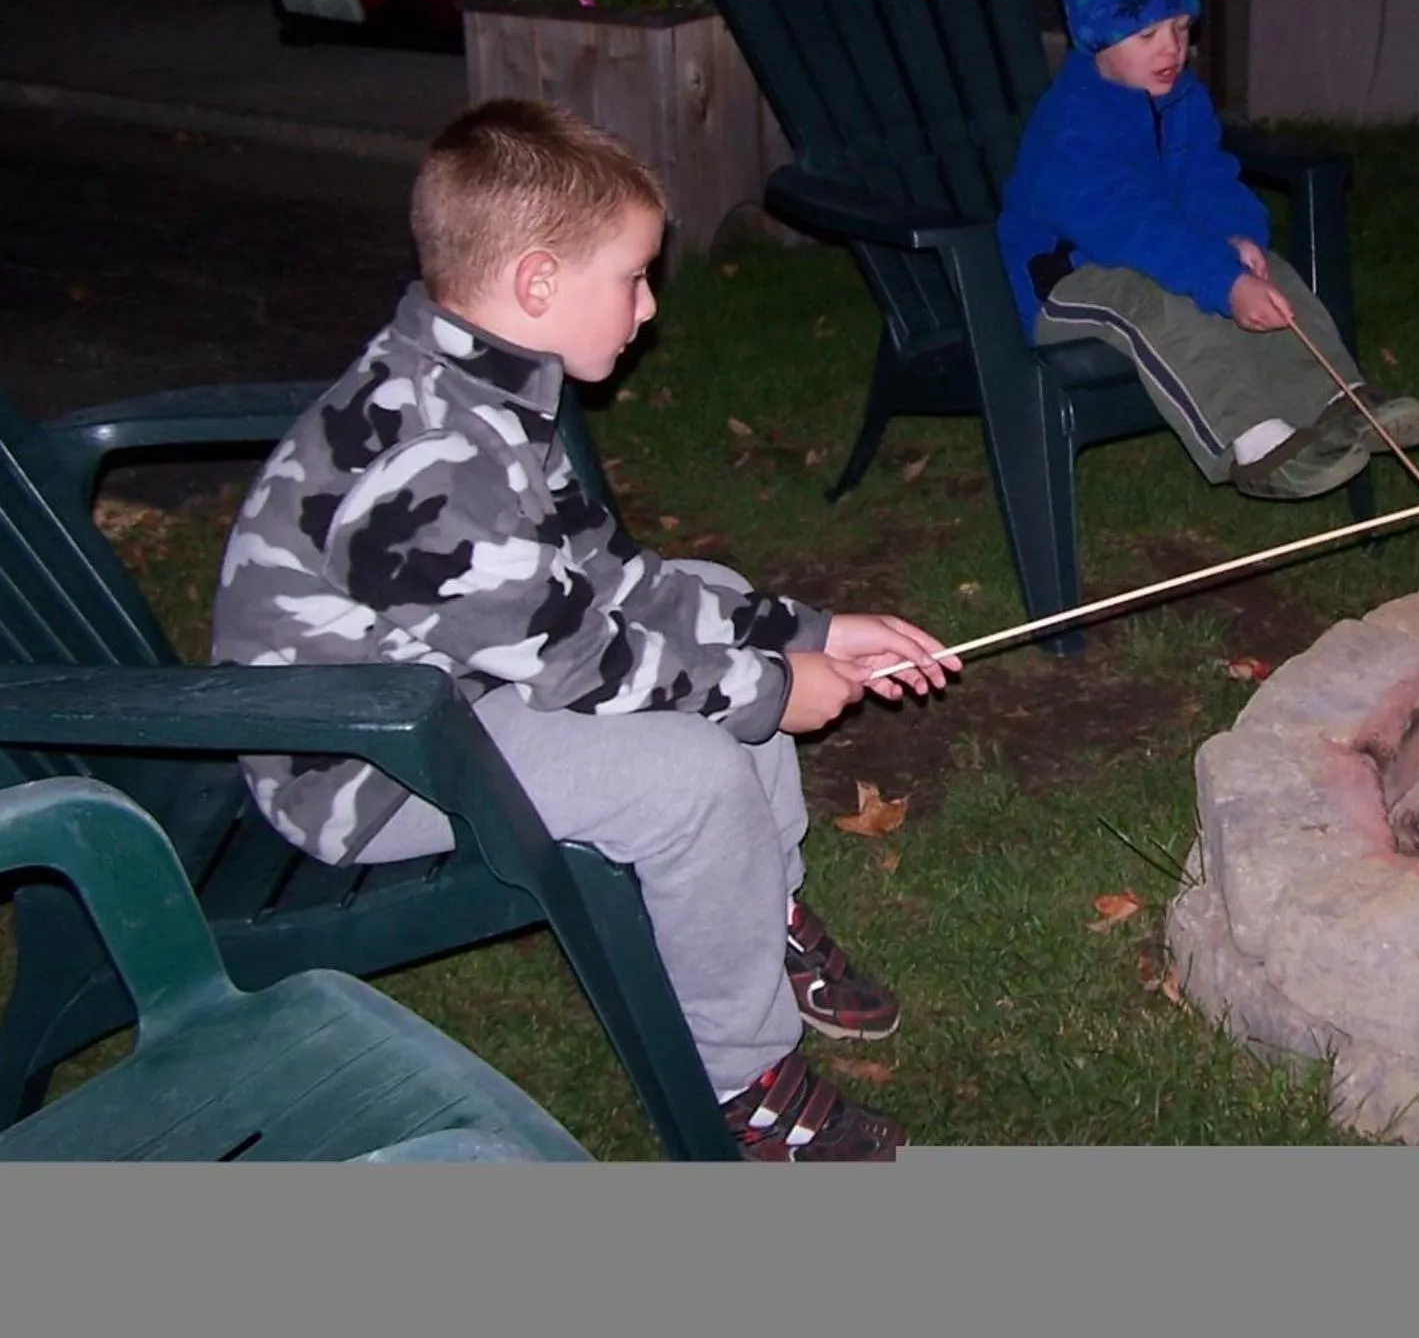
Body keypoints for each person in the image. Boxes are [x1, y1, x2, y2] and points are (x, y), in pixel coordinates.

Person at [209, 98, 954, 1161]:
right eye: (635, 277)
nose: (649, 309)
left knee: (705, 587)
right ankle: (745, 1091)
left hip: (453, 684)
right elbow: (580, 661)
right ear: (539, 284)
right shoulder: (437, 465)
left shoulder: (489, 385)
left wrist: (816, 630)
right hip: (365, 762)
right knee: (683, 773)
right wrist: (774, 688)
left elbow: (612, 580)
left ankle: (756, 910)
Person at [995, 0, 1419, 500]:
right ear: (1095, 38)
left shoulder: (1180, 99)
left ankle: (1339, 402)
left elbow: (1207, 178)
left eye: (1180, 26)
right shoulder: (1071, 130)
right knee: (1159, 305)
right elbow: (1134, 230)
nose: (1171, 48)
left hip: (1153, 249)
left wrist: (1233, 236)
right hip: (1068, 279)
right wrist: (1219, 282)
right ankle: (1252, 444)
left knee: (1266, 271)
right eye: (1147, 35)